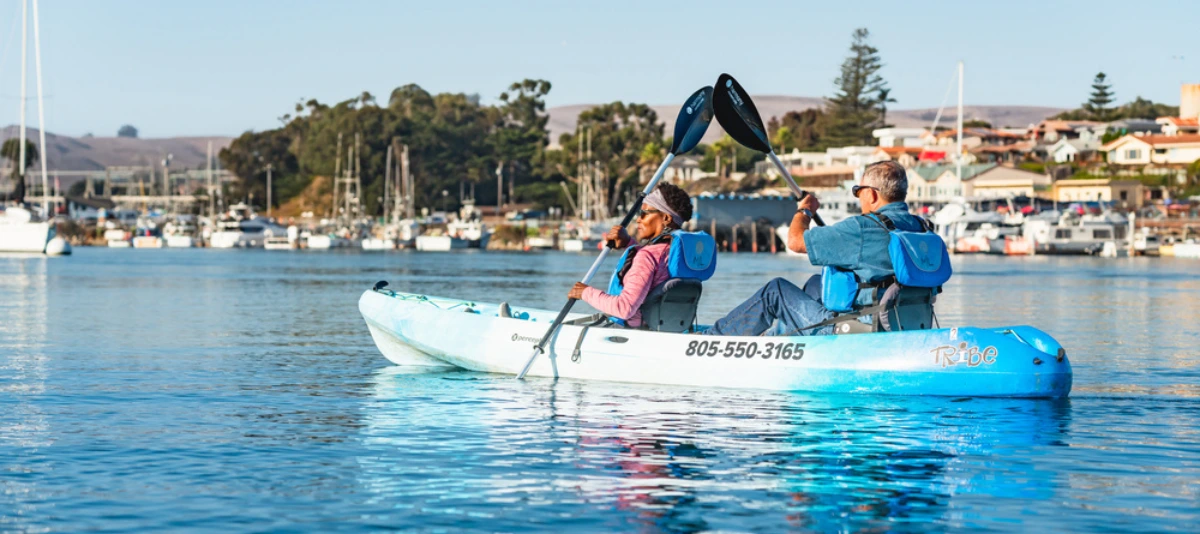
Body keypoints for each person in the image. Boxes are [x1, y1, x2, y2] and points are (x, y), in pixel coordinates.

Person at [704, 160, 931, 336]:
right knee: (816, 284)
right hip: (905, 319)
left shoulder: (862, 227)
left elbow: (795, 241)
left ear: (871, 194)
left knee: (775, 291)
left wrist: (805, 211)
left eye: (857, 190)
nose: (858, 197)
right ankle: (776, 340)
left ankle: (713, 339)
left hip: (858, 329)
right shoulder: (922, 227)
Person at [567, 183, 693, 328]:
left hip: (634, 331)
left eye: (644, 213)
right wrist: (628, 243)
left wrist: (585, 292)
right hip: (671, 328)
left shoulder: (647, 257)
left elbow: (624, 308)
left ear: (666, 218)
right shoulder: (683, 254)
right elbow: (658, 270)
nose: (638, 219)